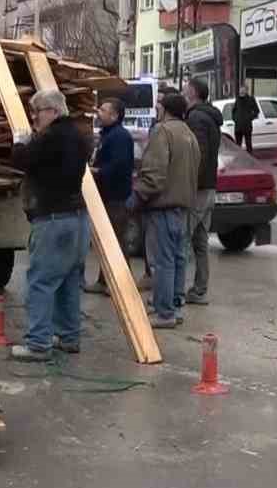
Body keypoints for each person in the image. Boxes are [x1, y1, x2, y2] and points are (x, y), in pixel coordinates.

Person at [9, 88, 91, 361]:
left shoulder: (52, 137)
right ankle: (69, 337)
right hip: (78, 218)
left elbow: (22, 160)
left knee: (41, 282)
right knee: (68, 280)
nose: (34, 118)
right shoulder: (78, 137)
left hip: (53, 219)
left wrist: (20, 142)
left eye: (37, 112)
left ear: (54, 111)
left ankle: (38, 344)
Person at [133, 93, 199, 328]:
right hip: (183, 207)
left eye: (158, 107)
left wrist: (138, 195)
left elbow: (155, 174)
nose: (156, 111)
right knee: (178, 260)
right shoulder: (188, 133)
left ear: (165, 109)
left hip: (163, 206)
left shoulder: (163, 131)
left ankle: (164, 312)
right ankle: (175, 307)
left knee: (163, 262)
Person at [84, 97, 134, 296]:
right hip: (105, 195)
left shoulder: (119, 137)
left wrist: (97, 171)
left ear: (114, 115)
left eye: (103, 110)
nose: (99, 112)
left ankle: (122, 285)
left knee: (116, 241)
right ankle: (104, 280)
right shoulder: (107, 135)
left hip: (115, 196)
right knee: (106, 241)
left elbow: (119, 165)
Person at [182, 79, 223, 306]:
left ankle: (175, 293)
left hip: (198, 188)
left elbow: (199, 154)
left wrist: (189, 183)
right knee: (200, 241)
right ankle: (199, 290)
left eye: (186, 88)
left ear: (193, 93)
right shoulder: (210, 117)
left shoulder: (196, 118)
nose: (183, 92)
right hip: (209, 185)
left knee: (182, 239)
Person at [232, 88, 259, 154]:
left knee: (248, 144)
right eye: (240, 91)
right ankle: (239, 158)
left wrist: (250, 117)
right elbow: (233, 111)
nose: (241, 92)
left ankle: (250, 158)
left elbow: (256, 111)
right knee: (238, 145)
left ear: (246, 91)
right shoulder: (237, 99)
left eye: (243, 91)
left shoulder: (251, 99)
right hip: (238, 126)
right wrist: (235, 119)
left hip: (247, 126)